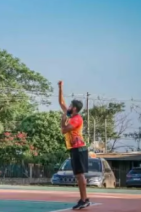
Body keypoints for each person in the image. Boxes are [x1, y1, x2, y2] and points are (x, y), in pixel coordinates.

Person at [58, 81, 90, 209]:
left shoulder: (77, 119)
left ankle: (84, 199)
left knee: (80, 174)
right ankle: (84, 198)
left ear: (75, 108)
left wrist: (62, 119)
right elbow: (61, 102)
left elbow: (64, 130)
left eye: (71, 105)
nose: (68, 106)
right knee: (78, 174)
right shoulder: (70, 114)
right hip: (74, 148)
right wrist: (60, 88)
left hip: (79, 148)